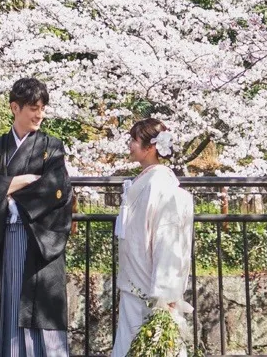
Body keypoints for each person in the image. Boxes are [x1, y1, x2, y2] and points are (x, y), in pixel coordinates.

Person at [0, 78, 75, 357]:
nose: (39, 114)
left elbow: (55, 187)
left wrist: (5, 186)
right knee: (10, 306)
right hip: (6, 237)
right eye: (32, 107)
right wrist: (27, 179)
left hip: (39, 240)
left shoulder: (52, 146)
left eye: (42, 107)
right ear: (14, 108)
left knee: (40, 310)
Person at [112, 118, 194, 357]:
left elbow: (168, 241)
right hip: (135, 283)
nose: (129, 145)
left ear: (150, 147)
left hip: (150, 288)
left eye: (134, 141)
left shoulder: (160, 184)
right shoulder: (145, 180)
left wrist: (166, 293)